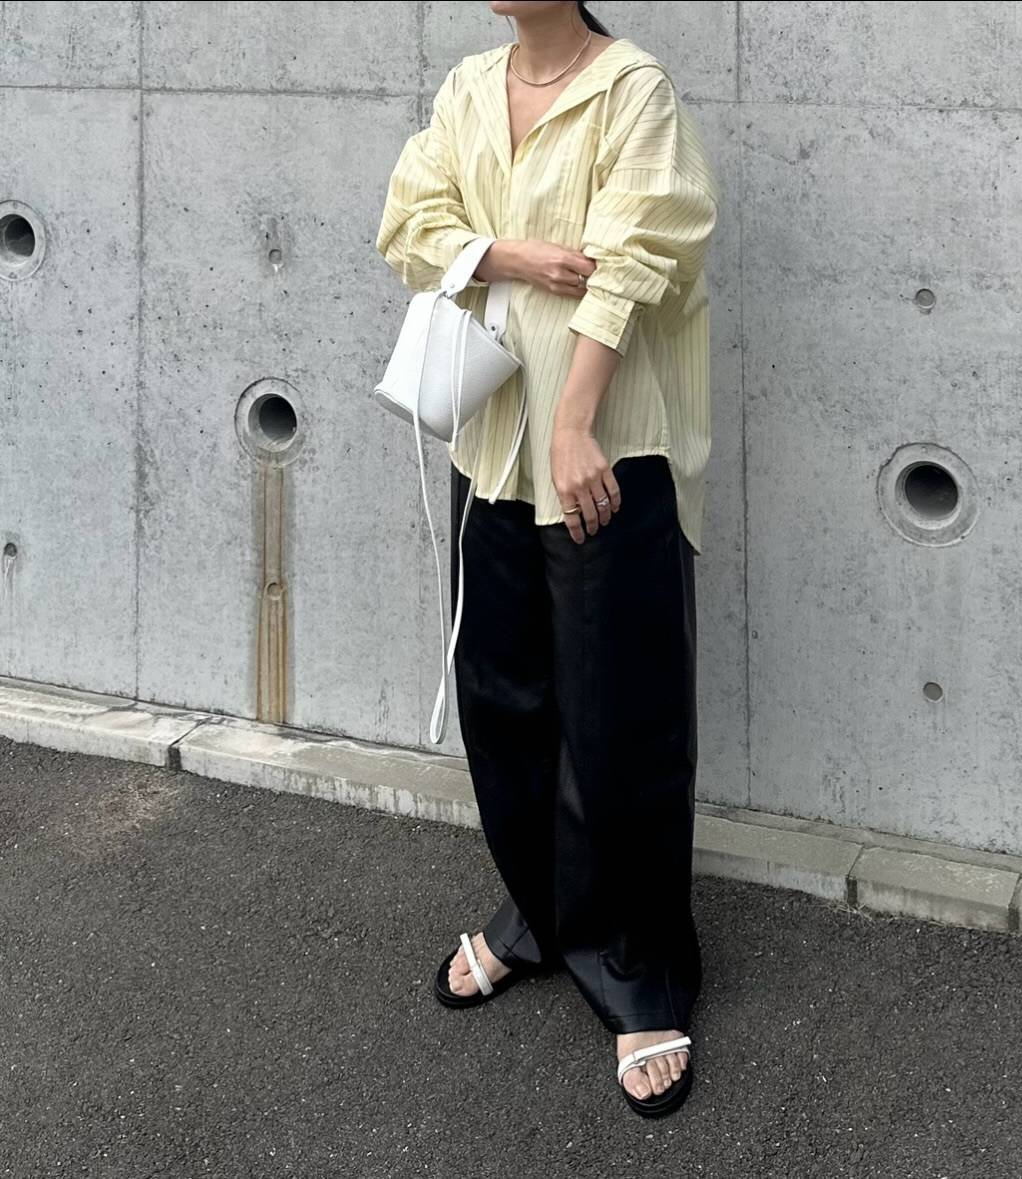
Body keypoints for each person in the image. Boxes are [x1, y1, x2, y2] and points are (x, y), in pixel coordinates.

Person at [375, 0, 720, 1118]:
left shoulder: (633, 90)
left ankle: (641, 969)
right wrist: (512, 252)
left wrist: (575, 422)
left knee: (620, 717)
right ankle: (538, 912)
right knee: (503, 698)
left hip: (605, 450)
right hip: (493, 448)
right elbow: (410, 222)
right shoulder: (470, 86)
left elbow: (637, 262)